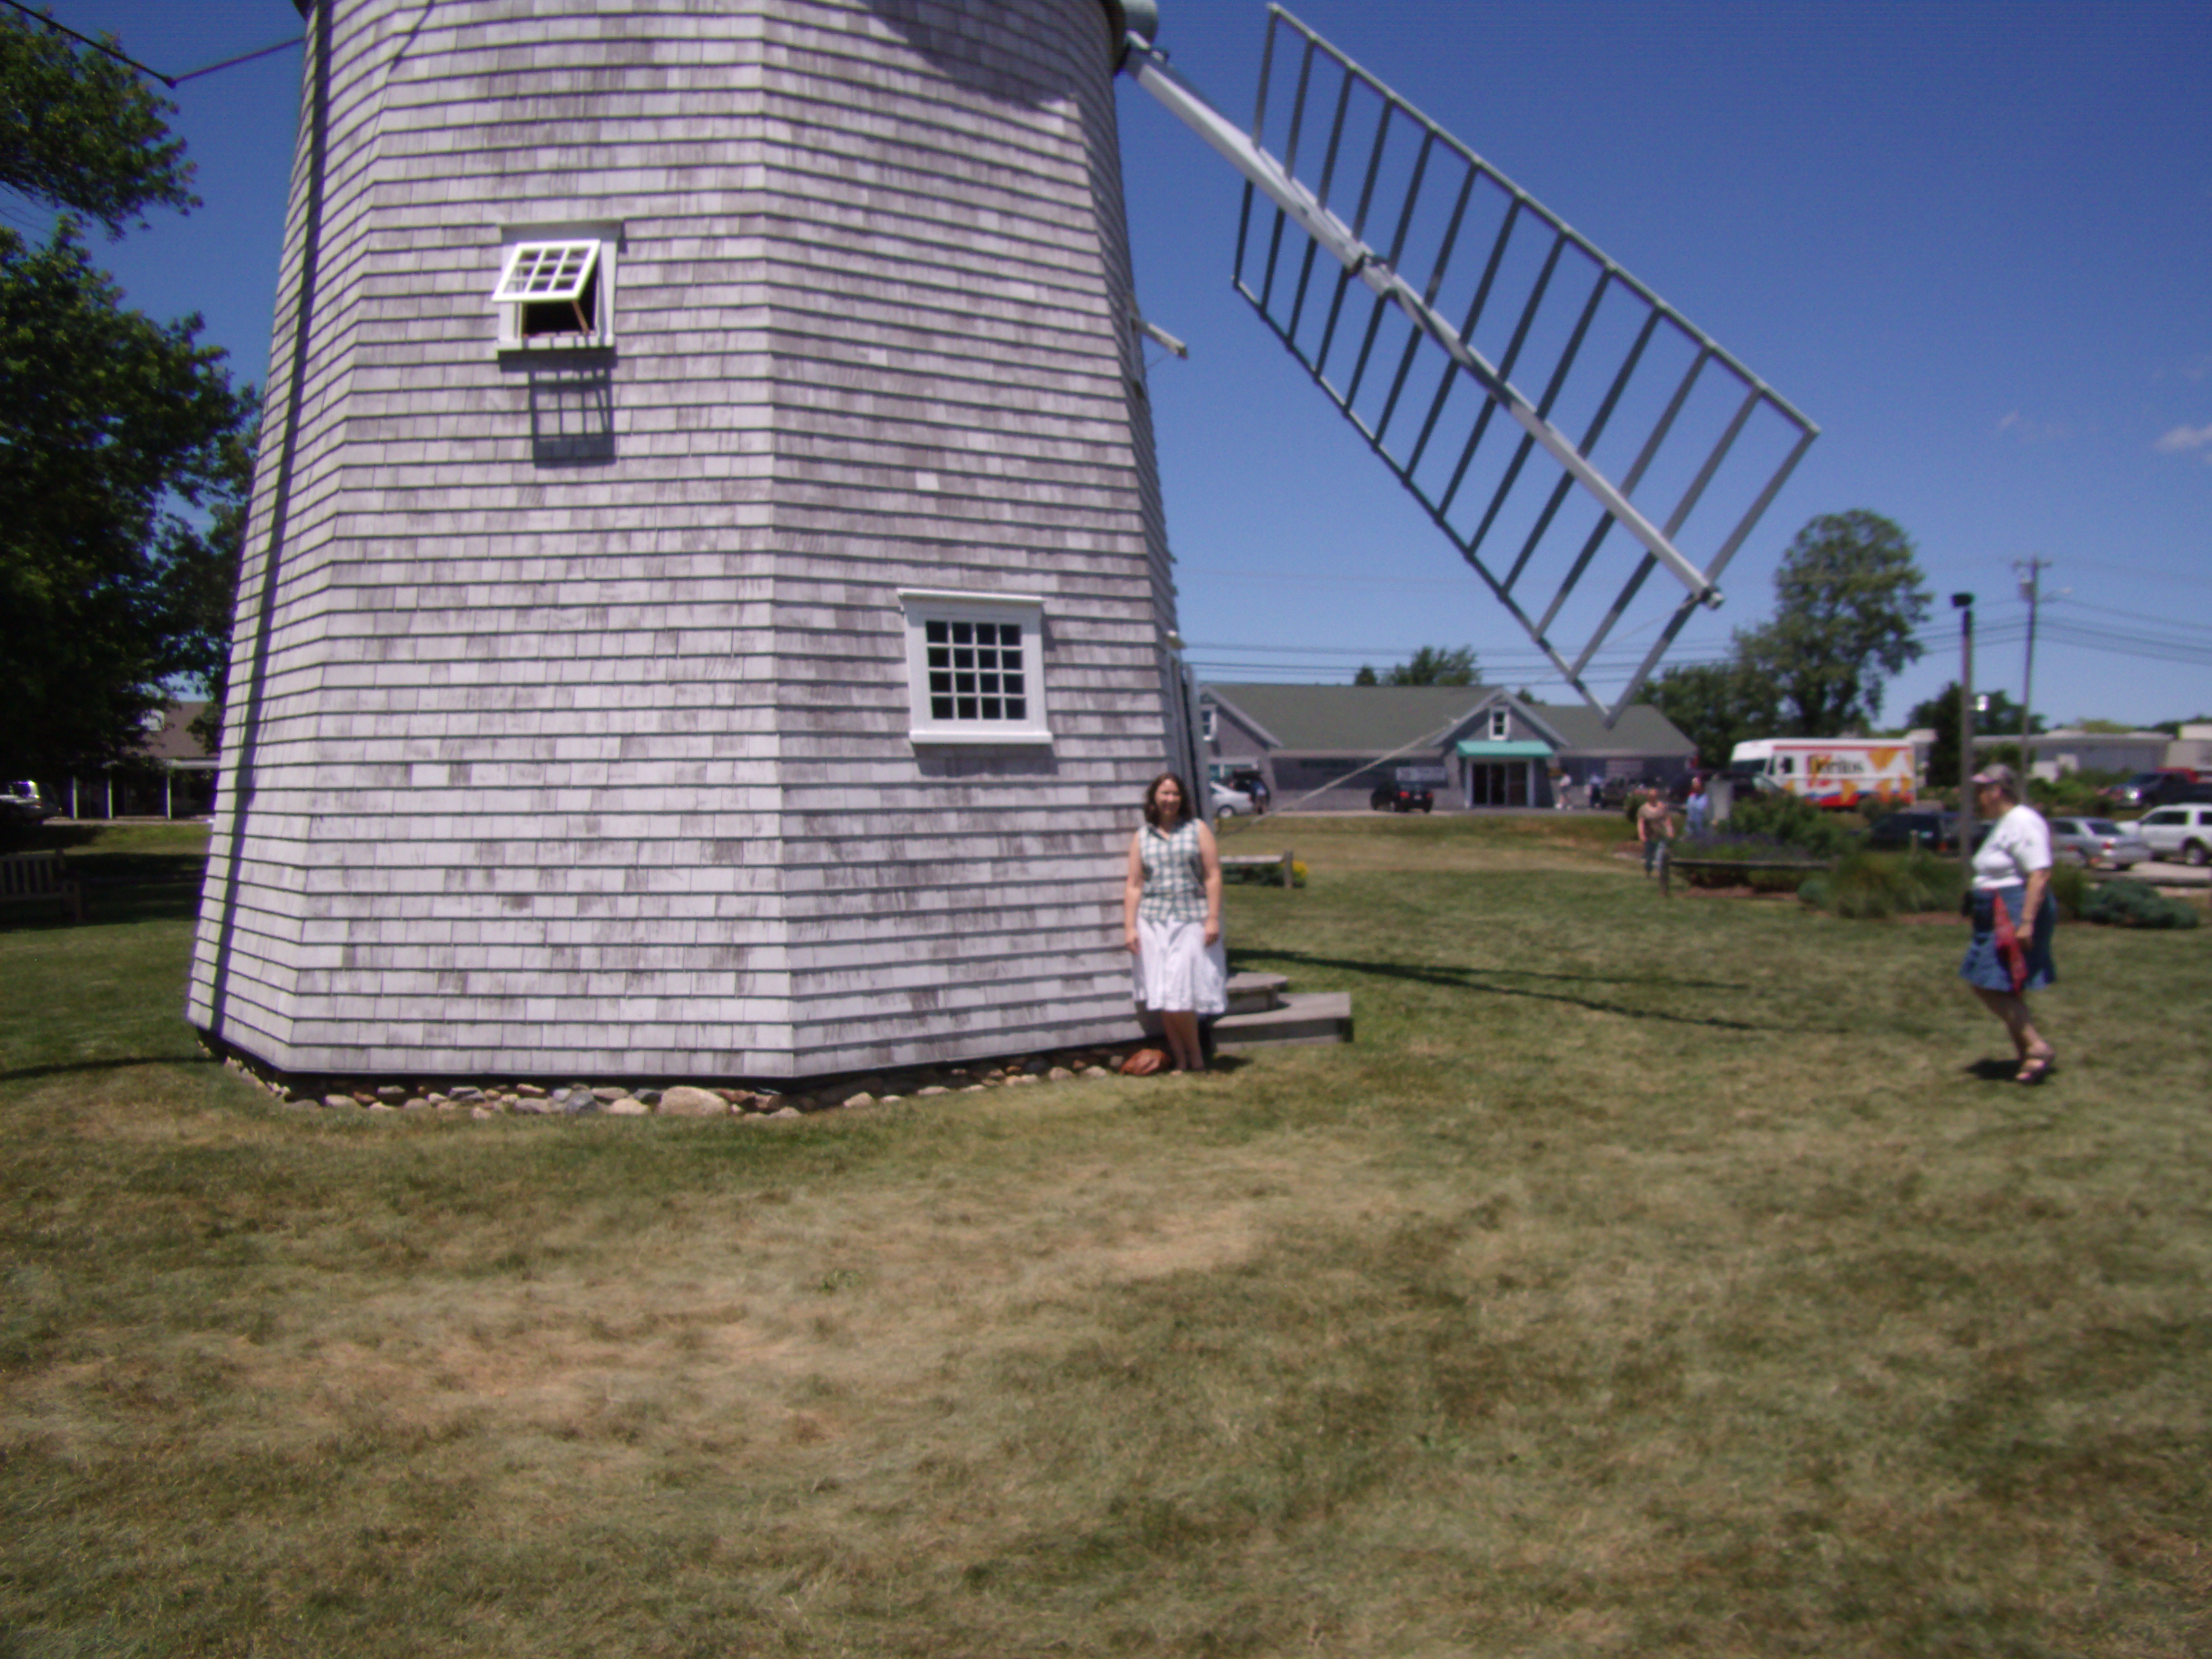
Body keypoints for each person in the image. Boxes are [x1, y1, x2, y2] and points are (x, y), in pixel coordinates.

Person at [1961, 764, 2058, 1083]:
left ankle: (2036, 1046)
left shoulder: (2023, 821)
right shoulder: (2005, 824)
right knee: (2004, 983)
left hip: (2012, 908)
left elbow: (2039, 873)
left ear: (1997, 791)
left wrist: (2027, 921)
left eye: (1981, 790)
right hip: (1995, 908)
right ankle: (2028, 1057)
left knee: (1985, 980)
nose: (1978, 797)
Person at [1124, 772, 1227, 1073]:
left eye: (1175, 794)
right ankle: (1180, 1059)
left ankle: (1195, 1058)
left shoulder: (1197, 830)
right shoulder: (1143, 836)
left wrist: (1212, 918)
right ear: (1154, 798)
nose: (1169, 800)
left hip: (1190, 919)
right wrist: (1129, 926)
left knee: (1182, 994)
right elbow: (1134, 884)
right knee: (1164, 994)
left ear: (1182, 799)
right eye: (1164, 794)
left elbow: (1213, 875)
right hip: (1153, 922)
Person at [1636, 787, 1675, 876]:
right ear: (1648, 797)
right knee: (1649, 858)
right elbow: (1641, 823)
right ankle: (1648, 872)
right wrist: (1641, 835)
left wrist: (1670, 830)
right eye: (1651, 796)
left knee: (1660, 856)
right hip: (1649, 837)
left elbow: (1667, 820)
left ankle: (1660, 875)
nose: (1653, 797)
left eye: (1655, 796)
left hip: (1660, 836)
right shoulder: (1643, 809)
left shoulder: (1662, 807)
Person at [1683, 775, 1713, 839]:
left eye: (1696, 784)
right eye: (1693, 785)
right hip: (1691, 830)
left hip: (1704, 830)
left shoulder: (1708, 798)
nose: (1694, 786)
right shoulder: (1691, 798)